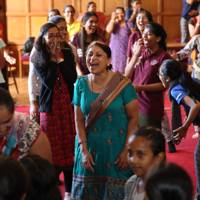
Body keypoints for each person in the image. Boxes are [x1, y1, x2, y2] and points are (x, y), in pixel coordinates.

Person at [71, 41, 138, 200]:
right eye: (89, 54)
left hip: (117, 150)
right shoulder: (80, 84)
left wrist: (127, 149)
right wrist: (83, 149)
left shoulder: (123, 84)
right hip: (89, 149)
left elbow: (134, 117)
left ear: (109, 61)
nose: (92, 58)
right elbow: (78, 119)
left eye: (98, 55)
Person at [31, 22, 77, 200]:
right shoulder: (38, 56)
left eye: (57, 34)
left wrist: (60, 58)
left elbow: (71, 77)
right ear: (42, 38)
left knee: (70, 147)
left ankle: (69, 192)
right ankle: (50, 190)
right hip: (49, 109)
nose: (55, 38)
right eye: (50, 35)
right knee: (52, 147)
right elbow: (48, 83)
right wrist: (52, 58)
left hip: (68, 105)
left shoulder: (66, 52)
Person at [158, 59, 200, 200]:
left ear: (167, 78)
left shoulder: (176, 89)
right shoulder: (188, 80)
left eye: (160, 74)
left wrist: (184, 127)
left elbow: (195, 106)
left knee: (198, 157)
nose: (159, 77)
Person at [0, 88, 52, 161]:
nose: (2, 129)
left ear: (13, 113)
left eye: (7, 121)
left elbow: (44, 169)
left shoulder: (29, 130)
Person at [124, 126, 166, 200]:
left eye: (140, 155)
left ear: (158, 158)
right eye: (130, 153)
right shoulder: (131, 183)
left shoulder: (167, 189)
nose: (132, 160)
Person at [106, 6, 132, 74]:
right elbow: (108, 31)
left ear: (124, 13)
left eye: (121, 13)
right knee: (113, 71)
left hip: (125, 50)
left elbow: (134, 35)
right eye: (117, 13)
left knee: (124, 71)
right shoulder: (114, 23)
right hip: (114, 51)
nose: (120, 15)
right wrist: (112, 19)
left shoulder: (128, 23)